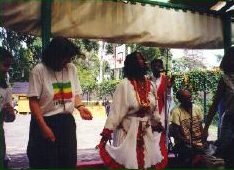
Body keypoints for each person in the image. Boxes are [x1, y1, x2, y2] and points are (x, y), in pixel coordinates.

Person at [27, 37, 93, 169]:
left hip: (66, 124)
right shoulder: (39, 71)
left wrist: (80, 107)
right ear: (55, 55)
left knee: (67, 162)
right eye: (65, 58)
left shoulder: (71, 69)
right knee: (45, 163)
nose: (68, 61)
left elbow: (76, 94)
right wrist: (43, 127)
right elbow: (33, 102)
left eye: (70, 58)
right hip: (45, 122)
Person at [97, 51, 164, 169]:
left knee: (145, 164)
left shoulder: (151, 85)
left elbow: (154, 109)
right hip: (126, 132)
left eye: (143, 59)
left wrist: (157, 123)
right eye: (138, 60)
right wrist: (106, 134)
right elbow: (115, 112)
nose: (142, 61)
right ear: (131, 64)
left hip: (145, 131)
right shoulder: (124, 85)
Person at [203, 46, 234, 168]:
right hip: (229, 120)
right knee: (224, 149)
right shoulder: (224, 80)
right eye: (231, 59)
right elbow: (215, 103)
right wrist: (206, 128)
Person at [170, 89, 204, 167]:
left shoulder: (197, 108)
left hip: (198, 142)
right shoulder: (176, 111)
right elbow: (176, 133)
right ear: (180, 100)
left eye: (190, 97)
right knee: (190, 154)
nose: (190, 100)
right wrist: (188, 142)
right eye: (187, 98)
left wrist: (203, 140)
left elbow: (201, 127)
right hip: (184, 143)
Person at [150, 58, 174, 169]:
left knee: (161, 137)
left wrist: (169, 88)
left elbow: (169, 98)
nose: (157, 68)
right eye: (155, 66)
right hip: (150, 113)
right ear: (151, 67)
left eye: (159, 66)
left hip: (163, 112)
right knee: (151, 137)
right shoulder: (148, 80)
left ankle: (161, 163)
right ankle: (152, 162)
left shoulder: (166, 79)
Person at [0, 47, 16, 169]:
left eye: (9, 66)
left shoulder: (6, 88)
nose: (7, 70)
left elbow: (9, 119)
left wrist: (10, 113)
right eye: (5, 65)